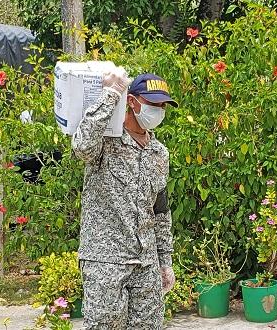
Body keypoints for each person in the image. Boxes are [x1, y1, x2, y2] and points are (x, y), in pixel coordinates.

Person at [71, 68, 179, 329]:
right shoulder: (106, 143)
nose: (159, 111)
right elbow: (81, 145)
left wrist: (165, 263)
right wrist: (111, 94)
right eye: (153, 104)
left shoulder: (159, 153)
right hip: (106, 260)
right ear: (132, 102)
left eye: (163, 106)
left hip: (146, 263)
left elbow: (161, 212)